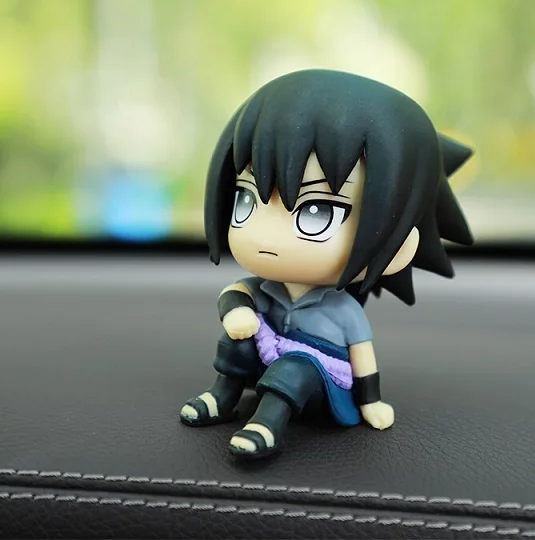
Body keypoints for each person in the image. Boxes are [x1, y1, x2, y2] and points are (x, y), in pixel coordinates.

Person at [179, 69, 474, 459]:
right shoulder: (267, 289)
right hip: (266, 359)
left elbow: (362, 356)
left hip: (323, 382)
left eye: (317, 211)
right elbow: (235, 295)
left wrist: (371, 401)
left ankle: (266, 425)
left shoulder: (343, 310)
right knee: (238, 340)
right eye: (246, 199)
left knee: (295, 367)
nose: (264, 235)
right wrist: (236, 313)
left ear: (399, 245)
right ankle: (222, 397)